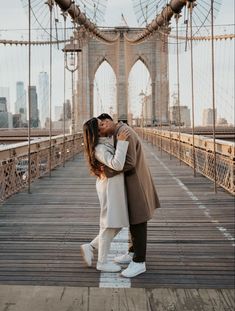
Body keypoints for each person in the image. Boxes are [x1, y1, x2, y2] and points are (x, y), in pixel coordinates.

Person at [96, 113, 161, 278]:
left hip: (136, 182)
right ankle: (132, 253)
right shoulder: (119, 132)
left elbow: (130, 162)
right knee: (133, 219)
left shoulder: (125, 132)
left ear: (110, 121)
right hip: (132, 181)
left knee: (139, 221)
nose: (101, 132)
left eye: (102, 126)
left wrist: (107, 171)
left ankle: (139, 262)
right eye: (98, 130)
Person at [81, 117, 130, 272]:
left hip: (114, 186)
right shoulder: (99, 149)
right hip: (109, 188)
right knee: (108, 224)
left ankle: (90, 247)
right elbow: (117, 164)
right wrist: (122, 142)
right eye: (100, 125)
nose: (103, 125)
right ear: (96, 132)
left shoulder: (104, 143)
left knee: (116, 224)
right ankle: (102, 262)